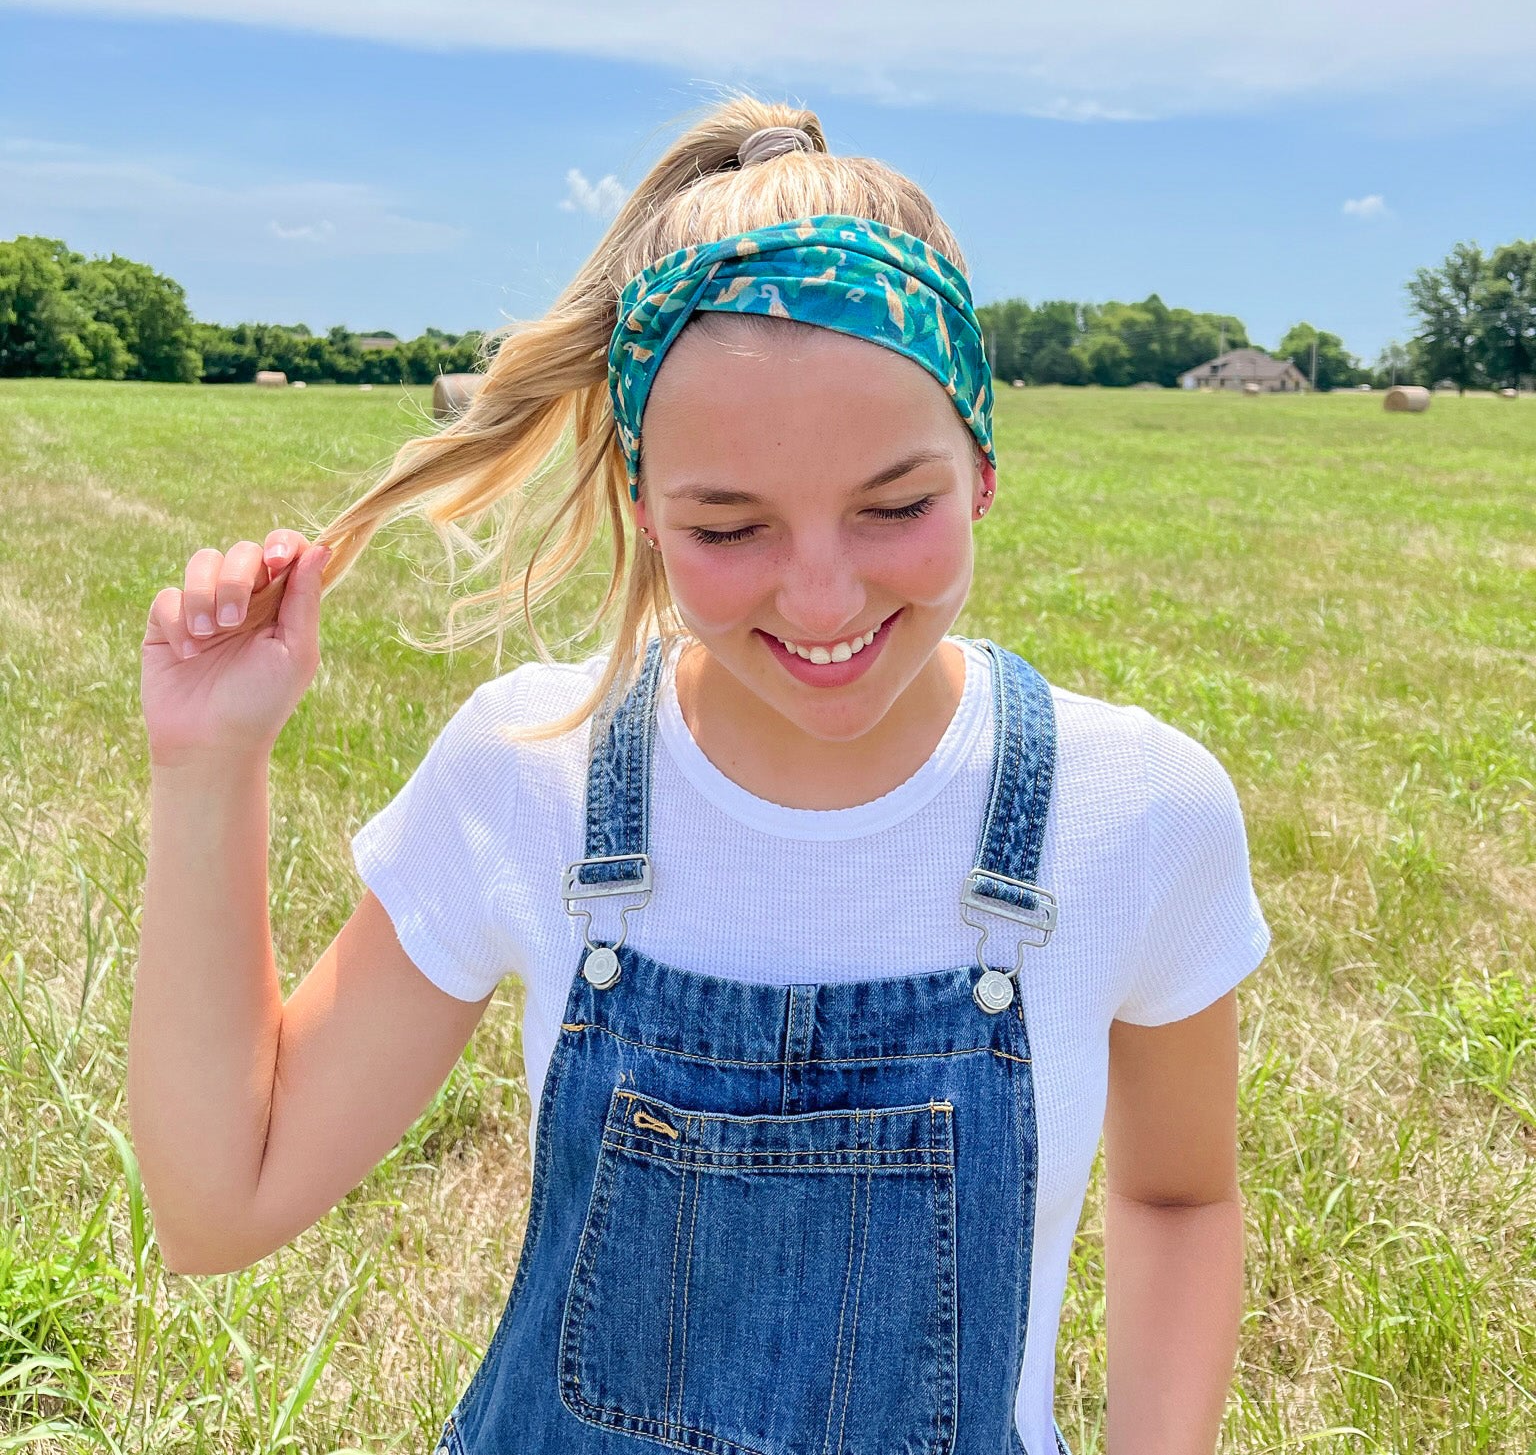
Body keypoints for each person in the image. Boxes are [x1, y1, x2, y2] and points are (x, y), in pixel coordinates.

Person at [131, 96, 1271, 1455]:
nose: (823, 591)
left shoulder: (1134, 807)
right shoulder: (530, 774)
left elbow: (1181, 1200)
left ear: (979, 464)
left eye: (893, 504)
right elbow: (219, 1203)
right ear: (641, 502)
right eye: (729, 524)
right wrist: (208, 764)